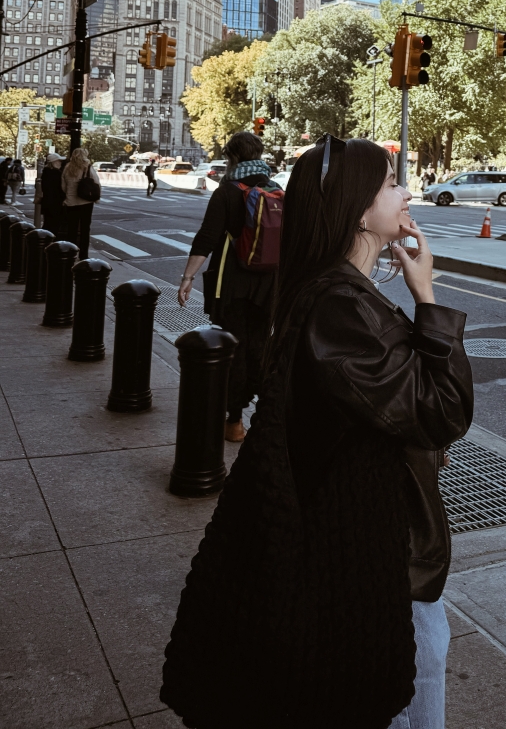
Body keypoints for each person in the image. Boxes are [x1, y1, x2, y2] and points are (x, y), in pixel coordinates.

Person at [161, 136, 473, 729]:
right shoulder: (340, 309)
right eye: (389, 182)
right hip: (372, 558)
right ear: (357, 209)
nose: (405, 191)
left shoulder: (340, 294)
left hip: (374, 545)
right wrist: (428, 299)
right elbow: (442, 412)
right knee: (409, 687)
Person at [177, 132, 280, 443]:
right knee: (261, 349)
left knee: (231, 348)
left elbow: (207, 238)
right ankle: (267, 418)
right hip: (269, 285)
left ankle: (233, 420)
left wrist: (187, 278)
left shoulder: (227, 191)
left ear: (233, 157)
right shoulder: (276, 191)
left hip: (231, 284)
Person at [62, 148, 101, 258]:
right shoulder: (87, 166)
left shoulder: (67, 167)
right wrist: (96, 198)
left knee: (72, 229)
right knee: (85, 229)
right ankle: (83, 255)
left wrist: (69, 194)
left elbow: (63, 185)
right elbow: (96, 182)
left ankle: (71, 252)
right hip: (86, 202)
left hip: (71, 202)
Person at [39, 153, 67, 238]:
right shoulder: (55, 173)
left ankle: (45, 241)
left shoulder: (46, 172)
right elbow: (59, 189)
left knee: (47, 223)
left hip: (48, 203)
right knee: (54, 225)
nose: (61, 163)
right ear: (54, 162)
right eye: (59, 161)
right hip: (55, 203)